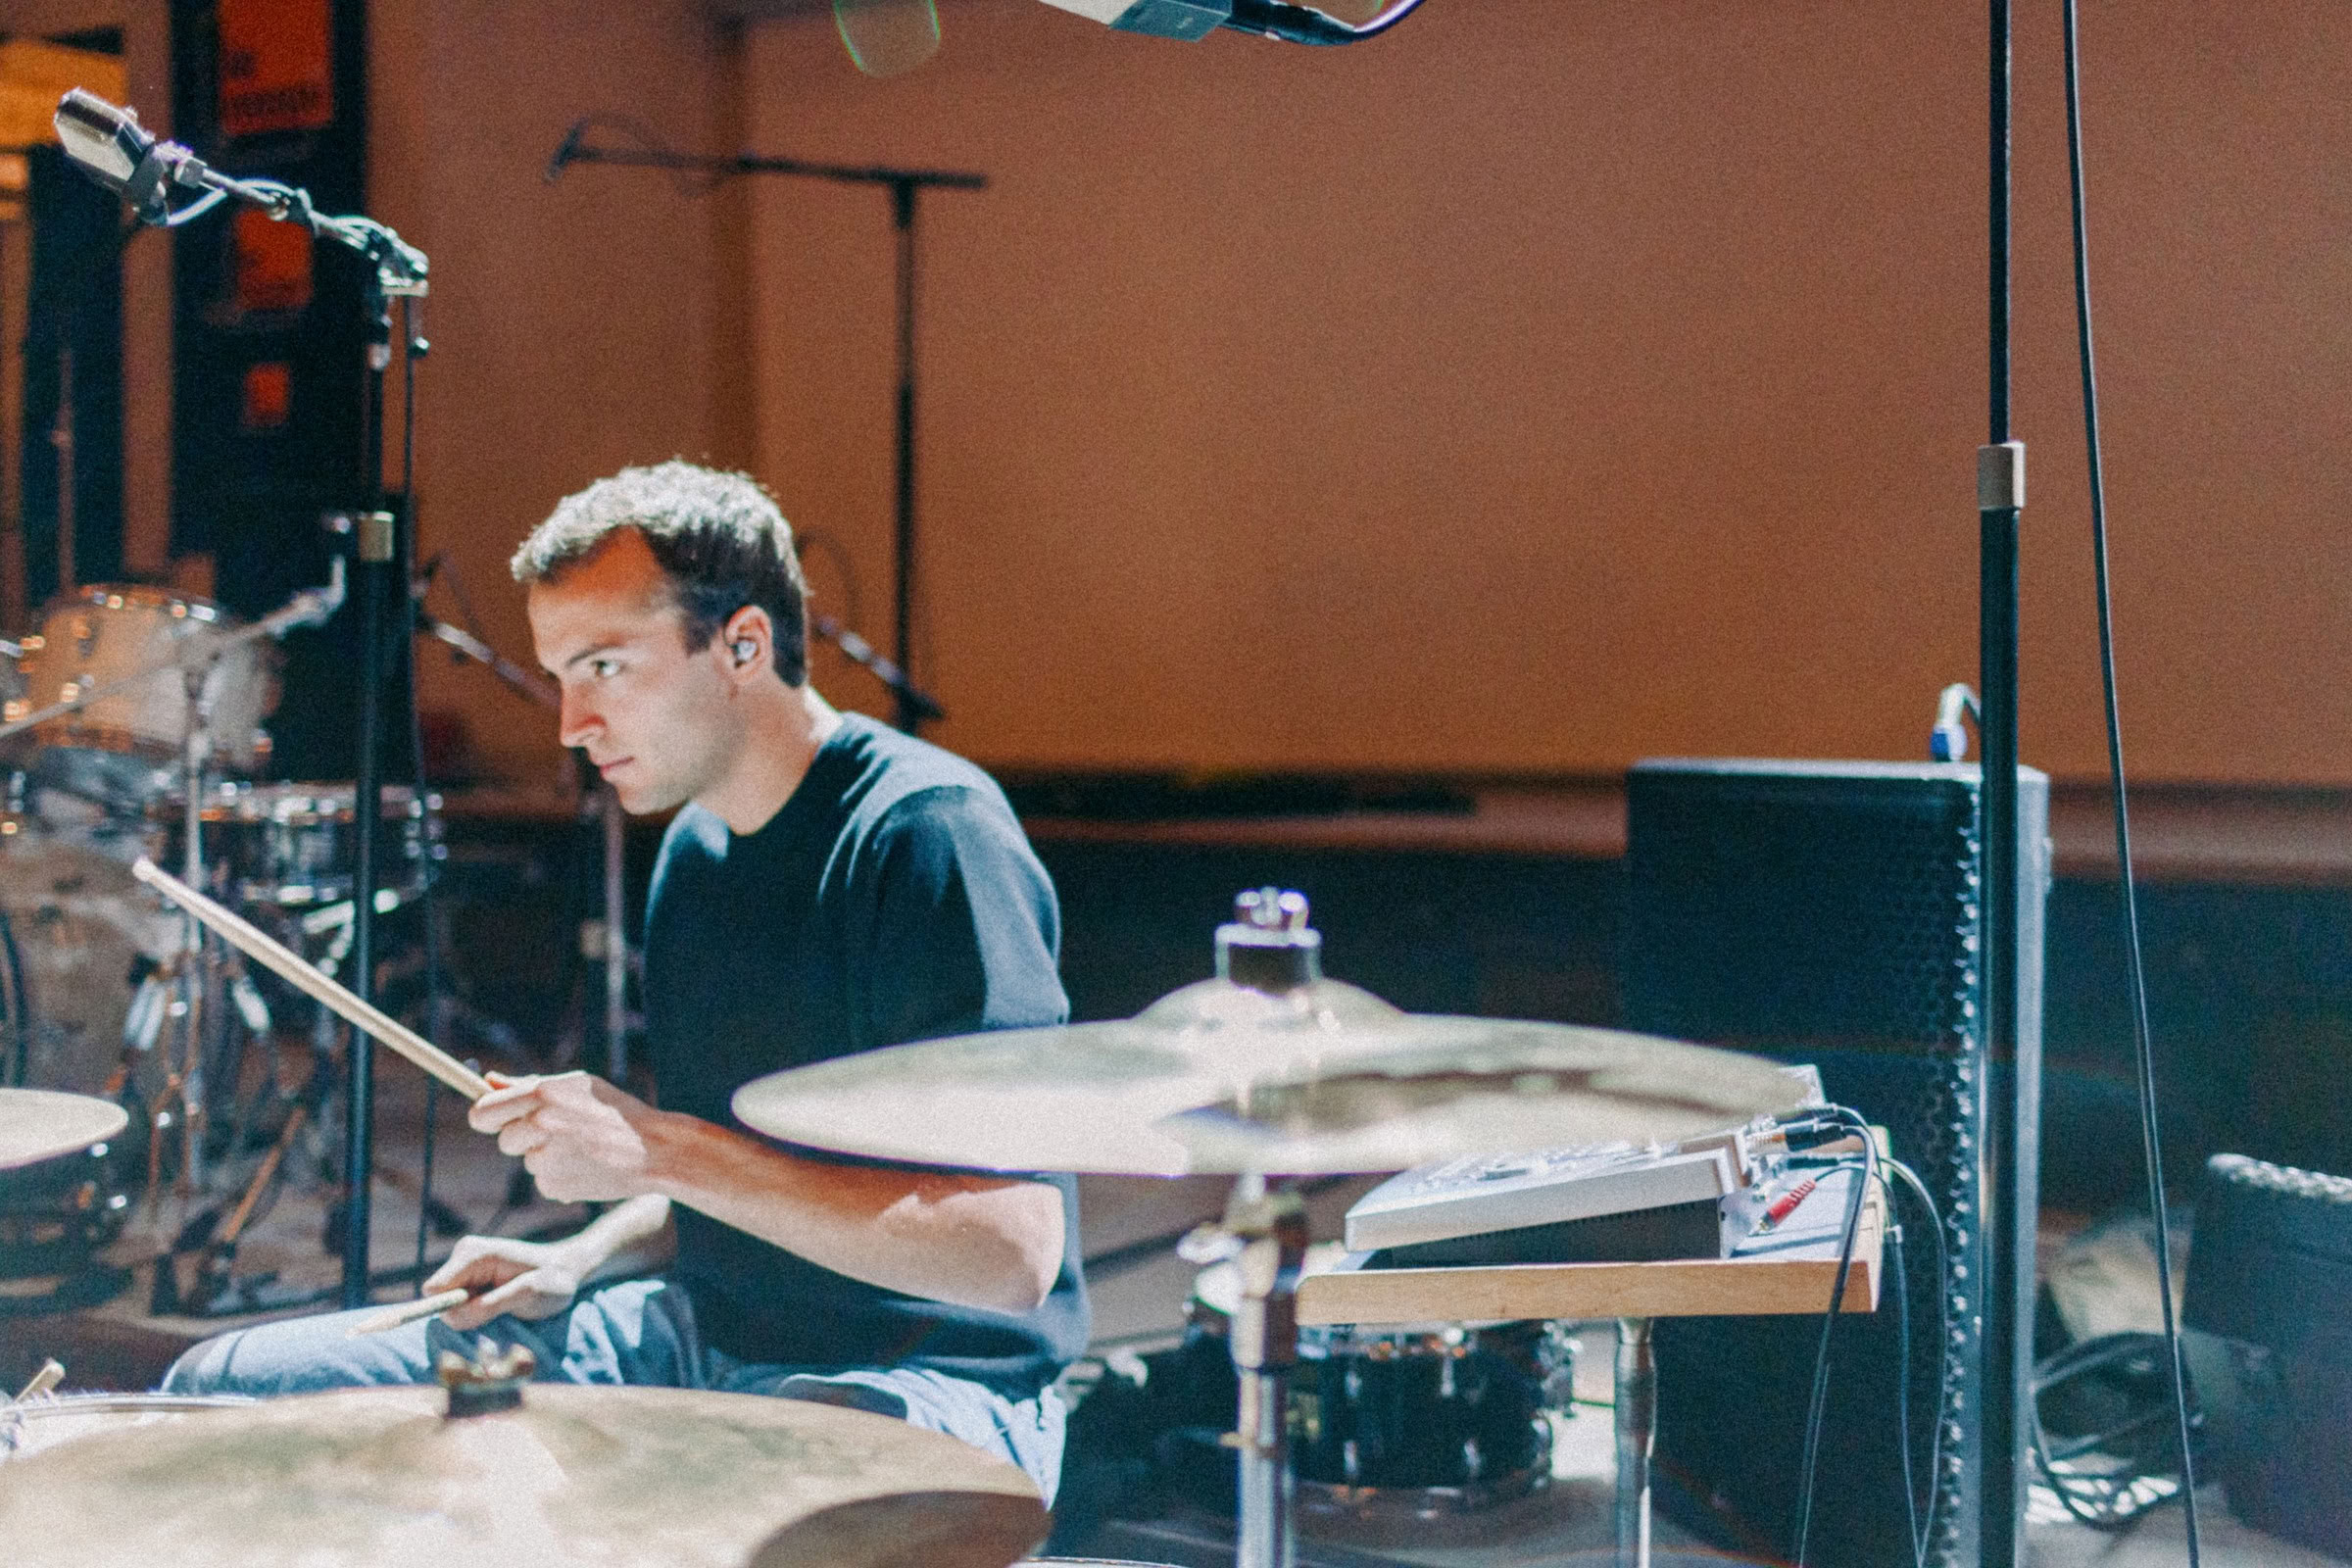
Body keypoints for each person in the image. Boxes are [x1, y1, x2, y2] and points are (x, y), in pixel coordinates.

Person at [163, 461, 1088, 1499]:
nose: (569, 723)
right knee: (225, 1389)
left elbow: (1011, 1251)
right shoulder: (694, 851)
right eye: (561, 675)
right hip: (701, 1335)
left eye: (604, 666)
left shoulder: (928, 836)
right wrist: (584, 1255)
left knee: (762, 1503)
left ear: (742, 644)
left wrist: (659, 1148)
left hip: (923, 1377)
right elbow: (748, 1181)